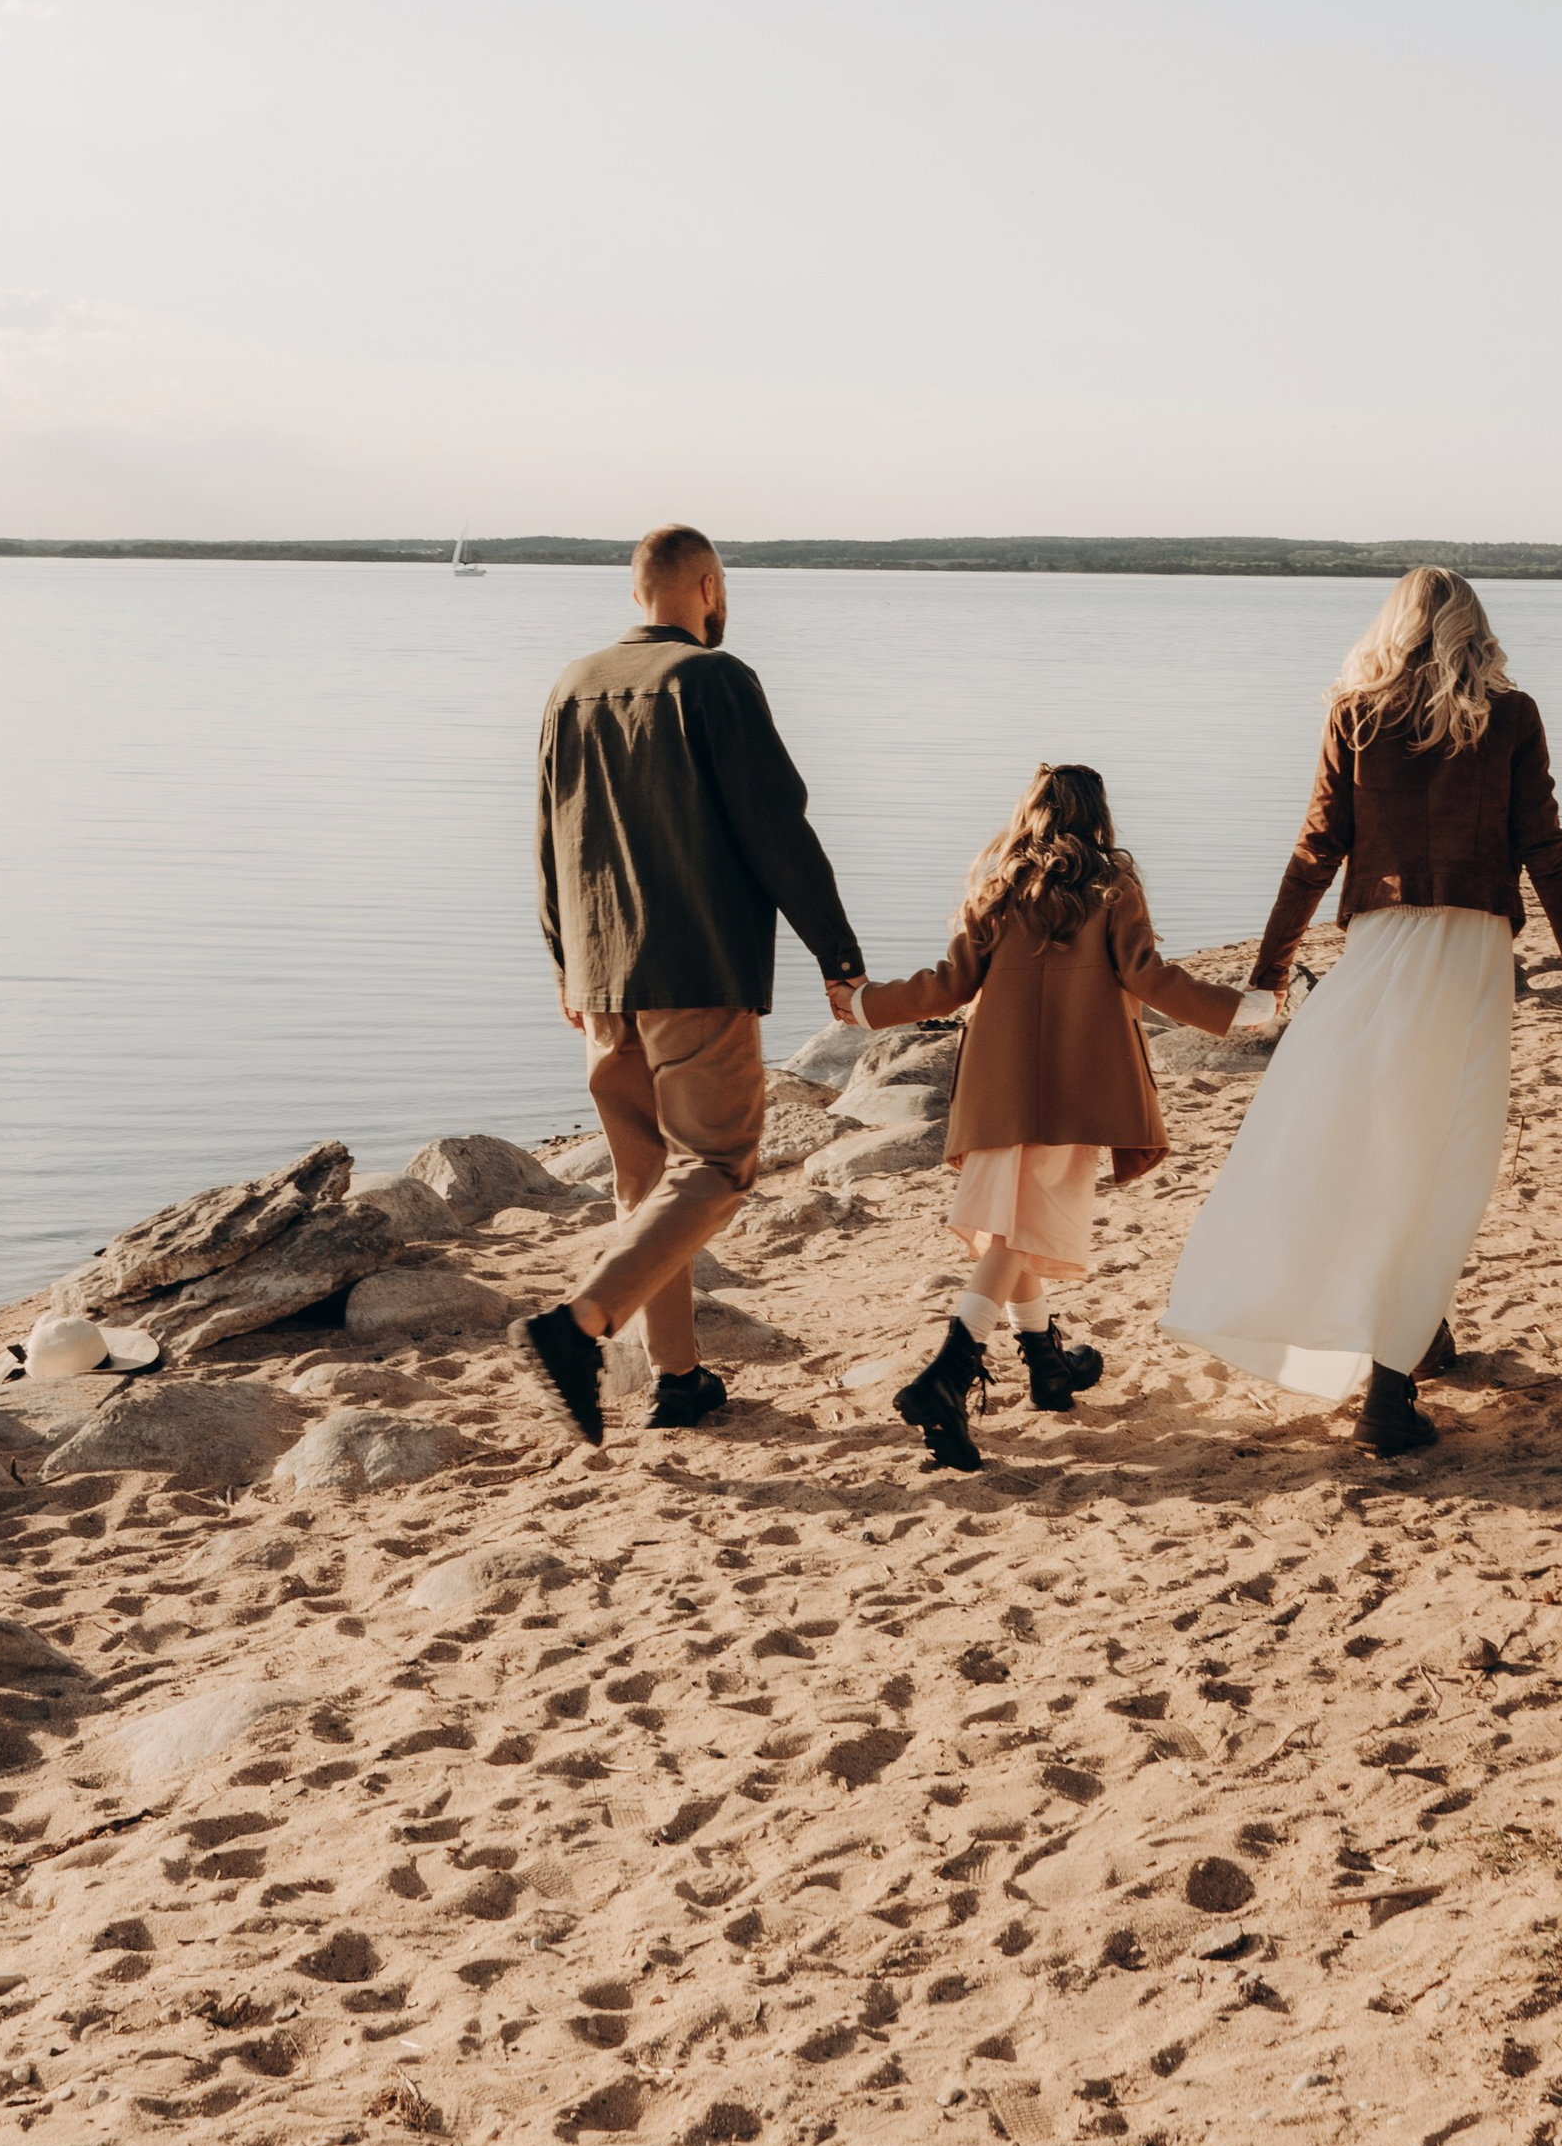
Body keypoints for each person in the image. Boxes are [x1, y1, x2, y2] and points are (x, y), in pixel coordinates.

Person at [1164, 566, 1562, 1457]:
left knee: (1375, 1134)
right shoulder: (1510, 716)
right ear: (1473, 630)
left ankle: (1421, 1332)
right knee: (1443, 1150)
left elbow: (1314, 849)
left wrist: (1272, 970)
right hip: (1469, 955)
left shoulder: (1356, 713)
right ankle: (1388, 1394)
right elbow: (1545, 847)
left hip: (1379, 948)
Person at [514, 525, 864, 1449]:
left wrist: (563, 962)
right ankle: (579, 1324)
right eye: (721, 589)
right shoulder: (713, 679)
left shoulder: (568, 686)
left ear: (638, 591)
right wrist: (839, 955)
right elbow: (776, 830)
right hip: (695, 966)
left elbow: (547, 839)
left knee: (647, 1184)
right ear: (705, 584)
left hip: (601, 978)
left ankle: (679, 1380)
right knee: (717, 1166)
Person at [846, 762, 1275, 1473]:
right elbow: (1149, 976)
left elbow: (947, 985)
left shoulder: (998, 888)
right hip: (1074, 1091)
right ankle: (948, 1376)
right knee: (1018, 1232)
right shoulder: (1112, 889)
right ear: (1097, 817)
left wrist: (866, 1004)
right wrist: (1238, 1011)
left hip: (996, 1091)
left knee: (1014, 1226)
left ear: (1031, 814)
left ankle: (1047, 1365)